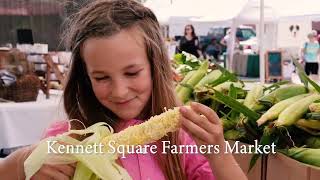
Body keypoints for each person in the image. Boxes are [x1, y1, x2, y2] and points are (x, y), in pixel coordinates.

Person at [0, 1, 247, 179]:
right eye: (101, 77)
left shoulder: (180, 142)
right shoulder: (68, 138)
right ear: (85, 78)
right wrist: (26, 162)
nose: (119, 91)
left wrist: (219, 154)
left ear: (155, 67)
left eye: (131, 73)